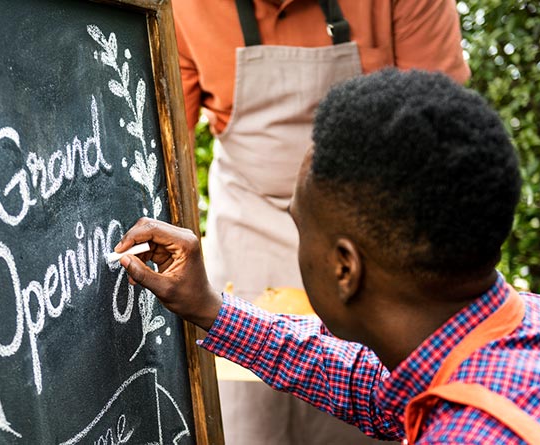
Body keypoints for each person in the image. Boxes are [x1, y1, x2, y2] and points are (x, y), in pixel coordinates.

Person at [113, 70, 540, 444]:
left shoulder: (470, 434)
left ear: (345, 268)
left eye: (297, 228)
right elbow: (368, 381)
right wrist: (210, 307)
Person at [173, 0, 468, 442]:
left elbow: (439, 133)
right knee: (247, 424)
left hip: (371, 242)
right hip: (246, 244)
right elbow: (158, 131)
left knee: (376, 406)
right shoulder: (184, 7)